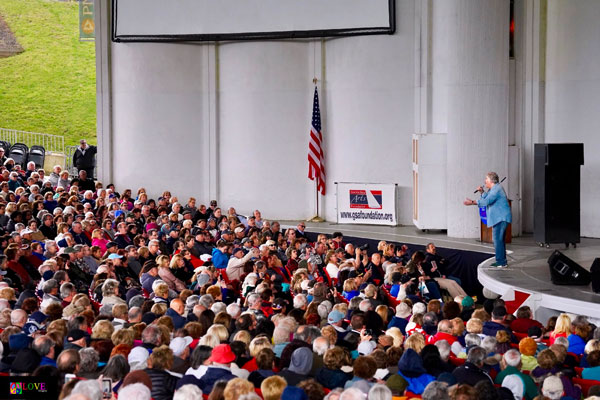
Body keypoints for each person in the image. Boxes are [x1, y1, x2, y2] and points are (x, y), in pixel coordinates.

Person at [464, 171, 512, 268]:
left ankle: (501, 262)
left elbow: (487, 201)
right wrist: (482, 192)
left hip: (500, 218)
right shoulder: (494, 189)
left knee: (497, 240)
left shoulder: (496, 189)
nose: (485, 181)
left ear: (491, 180)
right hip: (500, 218)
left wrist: (472, 202)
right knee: (499, 240)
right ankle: (502, 261)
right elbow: (488, 198)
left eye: (486, 179)